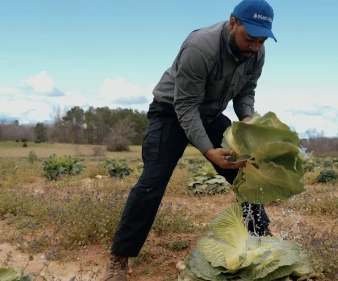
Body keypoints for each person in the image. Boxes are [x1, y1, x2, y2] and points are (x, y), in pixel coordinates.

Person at [104, 0, 277, 280]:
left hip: (209, 115)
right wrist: (209, 151)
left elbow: (246, 92)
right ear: (233, 23)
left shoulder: (257, 51)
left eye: (261, 40)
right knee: (152, 182)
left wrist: (246, 123)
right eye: (250, 39)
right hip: (170, 112)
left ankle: (262, 237)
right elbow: (184, 107)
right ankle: (119, 257)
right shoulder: (201, 47)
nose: (254, 47)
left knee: (248, 173)